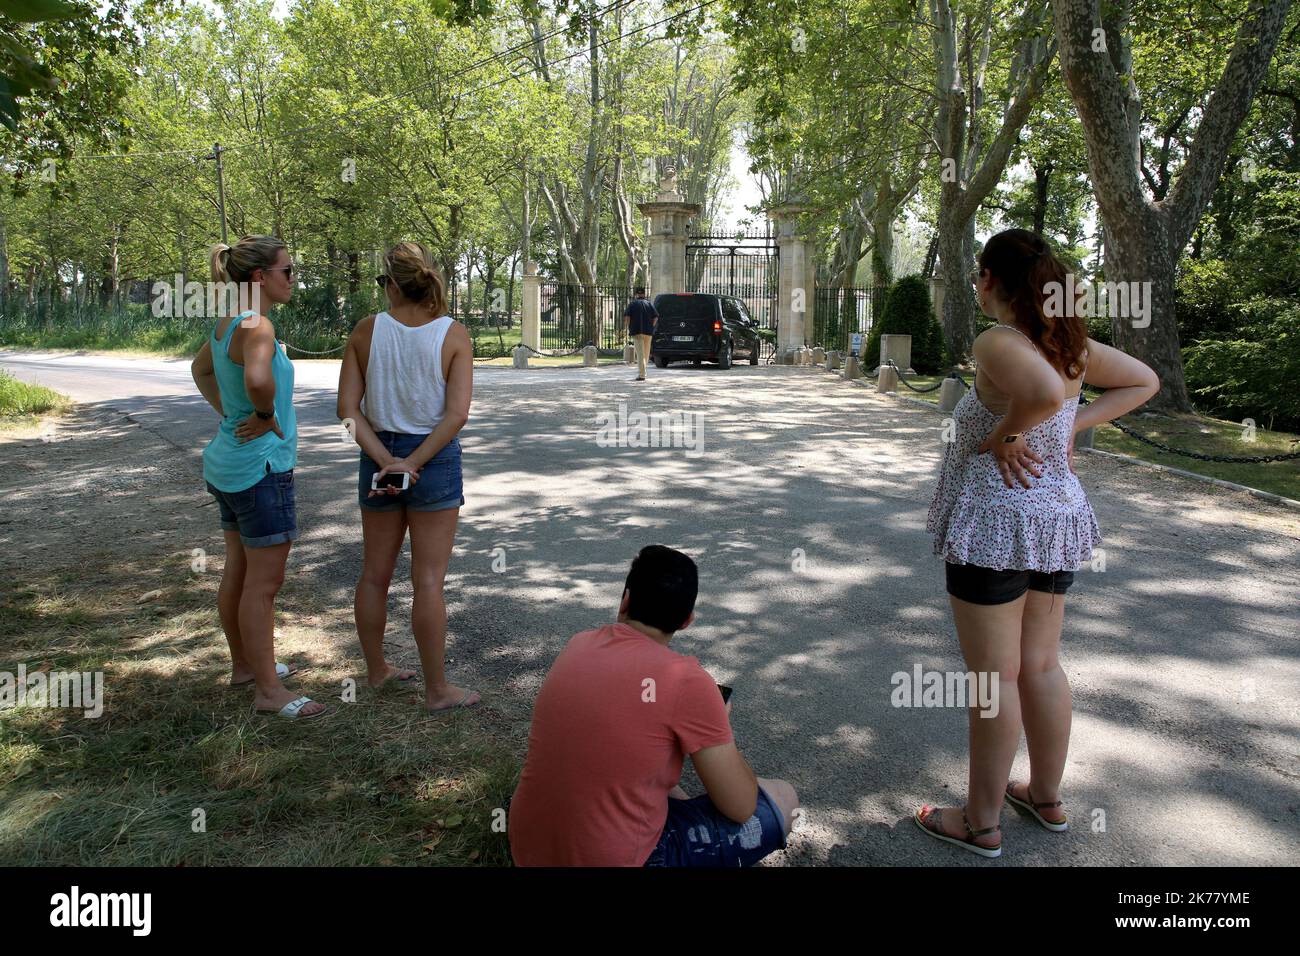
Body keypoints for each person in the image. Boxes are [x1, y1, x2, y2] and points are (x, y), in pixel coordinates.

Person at [916, 228, 1159, 857]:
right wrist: (1068, 423)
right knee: (1042, 666)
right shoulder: (1066, 342)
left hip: (996, 525)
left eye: (977, 273)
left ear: (990, 279)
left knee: (992, 682)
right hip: (1052, 520)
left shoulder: (997, 341)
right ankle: (1045, 797)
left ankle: (980, 822)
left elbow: (1044, 395)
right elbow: (1141, 381)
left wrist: (1008, 433)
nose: (976, 283)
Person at [508, 545, 799, 867]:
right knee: (783, 796)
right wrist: (721, 729)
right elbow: (740, 807)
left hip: (529, 849)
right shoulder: (688, 680)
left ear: (626, 600)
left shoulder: (579, 643)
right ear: (687, 621)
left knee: (646, 765)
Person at [336, 241, 479, 713]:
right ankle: (437, 691)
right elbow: (455, 415)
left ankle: (376, 670)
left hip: (378, 456)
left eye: (382, 282)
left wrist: (386, 462)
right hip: (432, 461)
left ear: (393, 286)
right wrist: (413, 463)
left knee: (374, 576)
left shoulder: (365, 331)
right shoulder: (454, 335)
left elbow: (347, 412)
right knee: (429, 581)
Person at [191, 235, 325, 720]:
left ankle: (246, 666)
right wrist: (265, 413)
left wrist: (230, 416)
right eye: (287, 271)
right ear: (259, 278)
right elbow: (257, 379)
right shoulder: (259, 325)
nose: (293, 278)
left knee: (238, 570)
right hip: (261, 468)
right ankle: (269, 692)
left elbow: (200, 370)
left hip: (228, 465)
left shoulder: (227, 323)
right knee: (263, 585)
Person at [624, 286, 657, 381]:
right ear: (644, 294)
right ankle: (643, 371)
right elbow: (655, 317)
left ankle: (642, 374)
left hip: (637, 331)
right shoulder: (649, 304)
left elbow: (627, 317)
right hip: (648, 331)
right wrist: (652, 326)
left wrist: (628, 326)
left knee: (640, 354)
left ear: (636, 294)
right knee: (646, 353)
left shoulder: (632, 304)